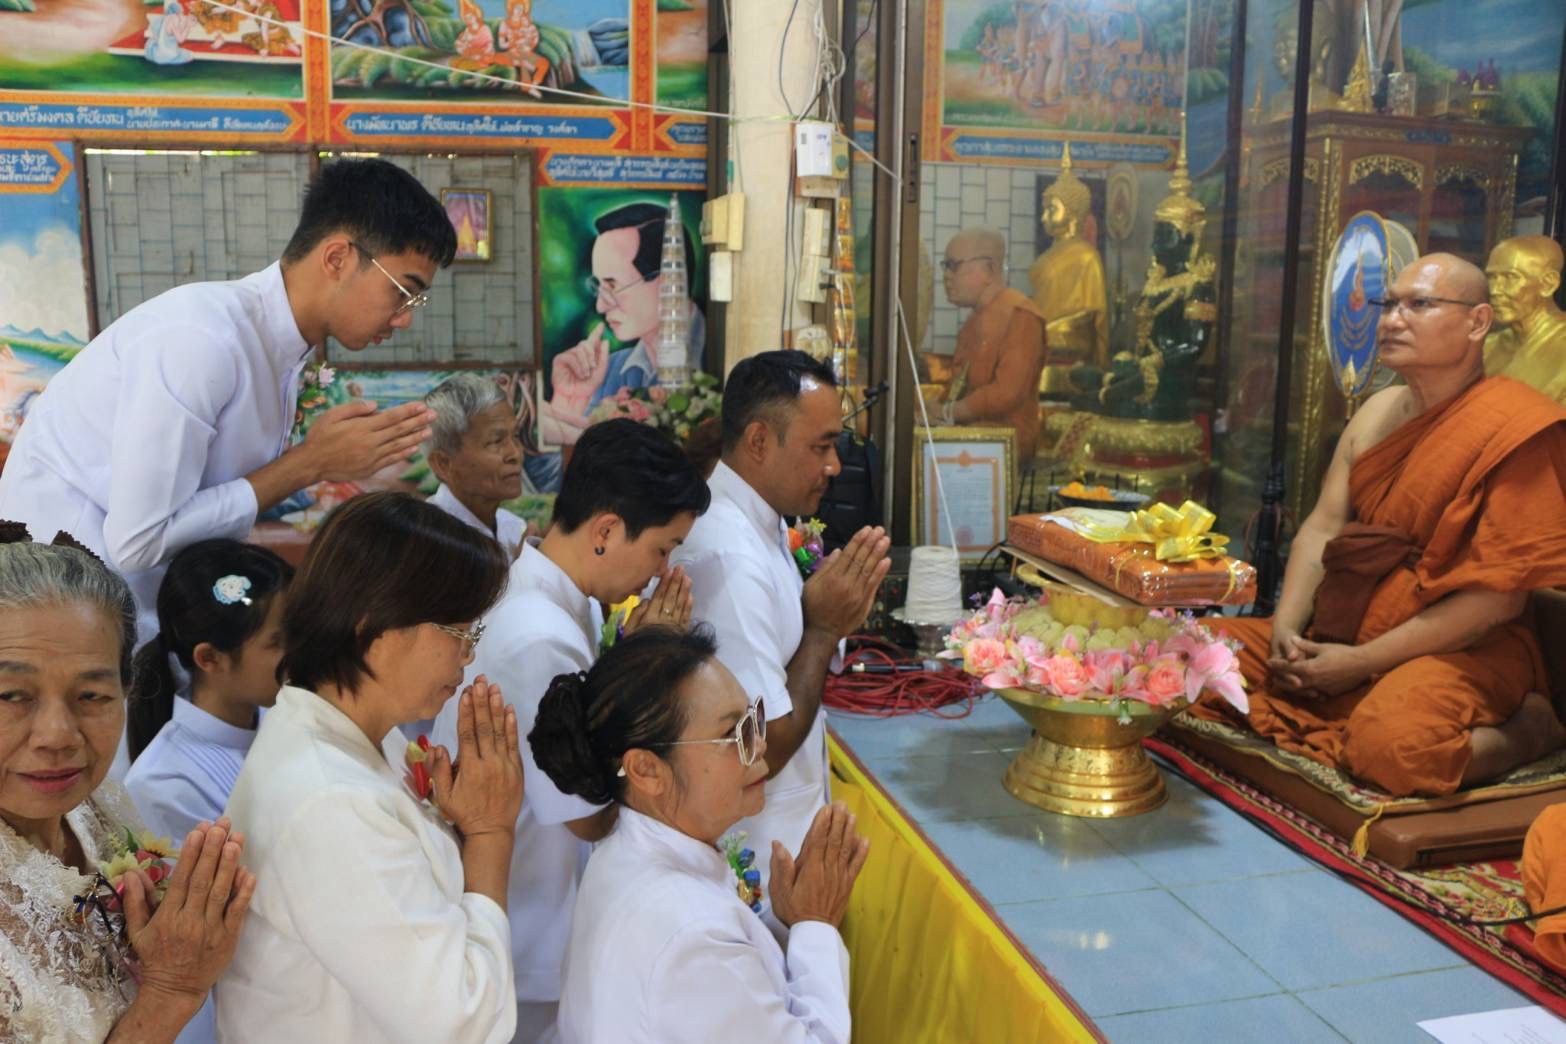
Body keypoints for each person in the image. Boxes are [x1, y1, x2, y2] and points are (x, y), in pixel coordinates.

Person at [0, 157, 453, 644]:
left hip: (126, 614)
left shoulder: (280, 350)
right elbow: (137, 542)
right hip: (55, 617)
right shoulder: (202, 339)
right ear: (338, 258)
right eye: (404, 291)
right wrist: (310, 463)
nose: (405, 318)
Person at [1190, 254, 1566, 797]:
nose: (1391, 319)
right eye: (1389, 304)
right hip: (1345, 628)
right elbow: (1321, 528)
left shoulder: (1518, 428)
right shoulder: (1378, 410)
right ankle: (1340, 690)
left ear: (1477, 323)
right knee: (1185, 659)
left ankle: (1529, 731)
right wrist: (1287, 633)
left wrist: (1361, 663)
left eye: (1420, 304)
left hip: (1461, 649)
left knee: (1392, 751)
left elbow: (1497, 604)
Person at [429, 417, 708, 1043]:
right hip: (528, 920)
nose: (662, 570)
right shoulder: (537, 634)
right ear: (607, 529)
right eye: (662, 549)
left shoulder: (559, 597)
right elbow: (588, 813)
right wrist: (649, 672)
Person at [215, 493, 523, 1042]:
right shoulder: (332, 799)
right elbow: (464, 1019)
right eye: (458, 631)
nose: (468, 656)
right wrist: (491, 835)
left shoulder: (359, 742)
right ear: (372, 627)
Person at [531, 626, 870, 1042]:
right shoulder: (693, 935)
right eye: (733, 734)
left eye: (753, 720)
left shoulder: (620, 852)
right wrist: (815, 924)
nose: (759, 745)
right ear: (646, 770)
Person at [0, 530, 255, 1042]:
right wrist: (171, 991)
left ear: (127, 690)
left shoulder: (95, 812)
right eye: (12, 694)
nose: (58, 736)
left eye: (92, 695)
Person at [672, 351, 889, 914]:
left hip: (781, 835)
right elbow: (756, 747)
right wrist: (822, 628)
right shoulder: (728, 554)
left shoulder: (760, 521)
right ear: (760, 442)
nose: (835, 466)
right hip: (758, 856)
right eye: (820, 447)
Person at [125, 539, 292, 837]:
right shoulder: (163, 784)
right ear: (210, 658)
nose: (298, 652)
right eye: (276, 643)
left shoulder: (289, 716)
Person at [539, 202, 705, 447]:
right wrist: (569, 403)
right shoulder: (609, 372)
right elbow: (565, 480)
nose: (600, 307)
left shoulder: (720, 354)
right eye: (599, 286)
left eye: (613, 286)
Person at [930, 229, 1047, 460]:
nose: (946, 276)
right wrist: (932, 409)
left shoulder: (1021, 316)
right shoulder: (974, 322)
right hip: (966, 431)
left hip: (1005, 441)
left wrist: (948, 412)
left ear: (990, 270)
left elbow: (1006, 393)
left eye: (954, 265)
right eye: (945, 266)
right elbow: (959, 386)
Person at [423, 373, 529, 561]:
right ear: (443, 464)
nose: (516, 454)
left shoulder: (514, 528)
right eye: (496, 441)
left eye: (516, 436)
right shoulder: (426, 543)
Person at [1483, 235, 1566, 404]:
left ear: (1548, 284)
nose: (1494, 290)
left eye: (1510, 277)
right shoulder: (1488, 346)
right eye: (1491, 277)